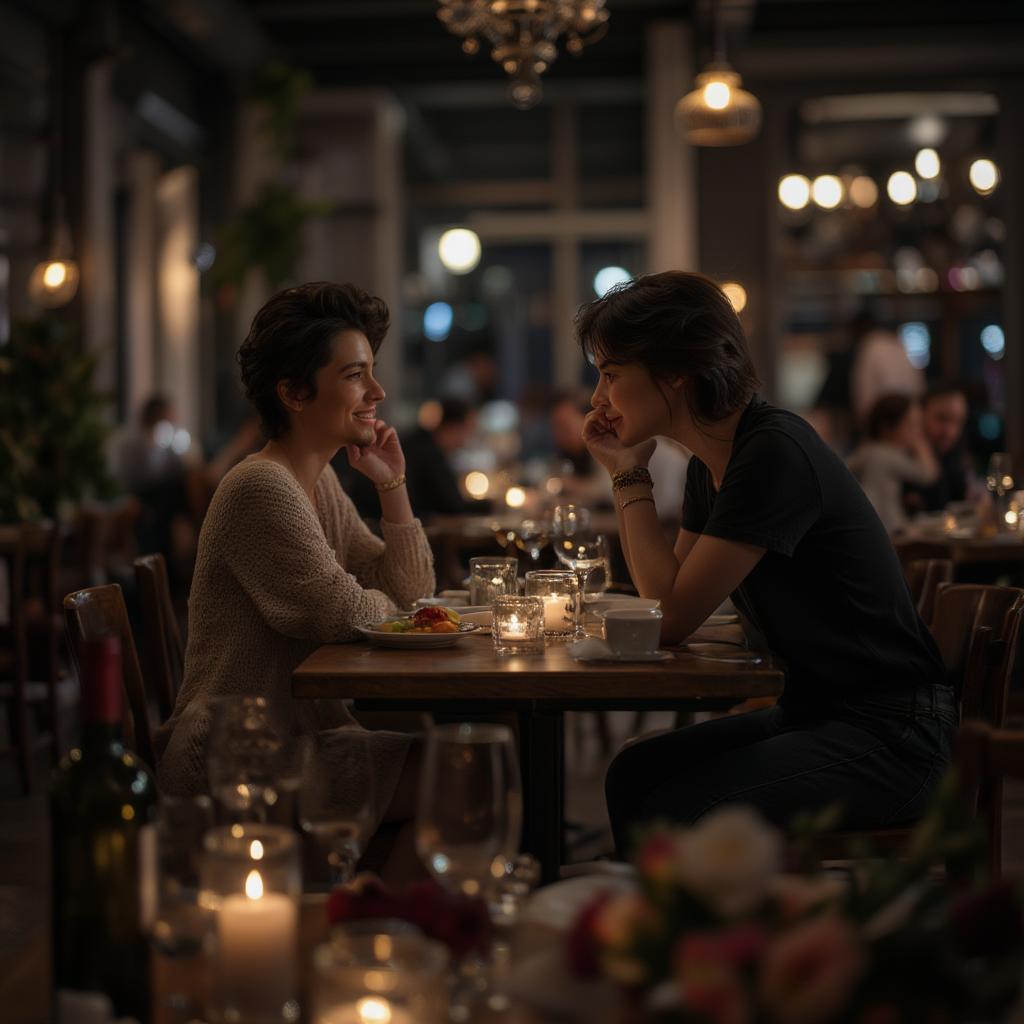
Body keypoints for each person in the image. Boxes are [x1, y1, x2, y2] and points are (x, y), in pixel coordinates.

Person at [577, 272, 951, 857]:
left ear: (676, 373)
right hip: (818, 714)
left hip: (894, 734)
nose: (597, 398)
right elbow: (666, 599)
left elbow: (669, 620)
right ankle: (655, 938)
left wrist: (628, 475)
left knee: (680, 806)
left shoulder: (772, 452)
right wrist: (627, 468)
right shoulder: (714, 463)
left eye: (610, 374)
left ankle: (693, 941)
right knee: (634, 774)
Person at [155, 282, 435, 878]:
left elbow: (408, 599)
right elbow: (343, 612)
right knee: (460, 778)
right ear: (293, 392)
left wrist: (393, 485)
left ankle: (364, 926)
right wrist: (379, 603)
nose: (378, 393)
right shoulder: (261, 488)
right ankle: (364, 929)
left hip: (301, 740)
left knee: (457, 771)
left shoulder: (317, 483)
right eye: (356, 375)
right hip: (241, 757)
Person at [847, 395, 941, 533]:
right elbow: (929, 474)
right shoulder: (886, 454)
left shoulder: (865, 451)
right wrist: (921, 445)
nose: (917, 431)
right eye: (911, 425)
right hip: (889, 527)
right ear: (886, 428)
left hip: (867, 524)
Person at [904, 381, 971, 513]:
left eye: (958, 422)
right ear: (920, 414)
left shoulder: (954, 456)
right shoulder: (903, 457)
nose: (950, 432)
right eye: (942, 419)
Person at [849, 312, 924, 429]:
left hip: (882, 422)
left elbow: (863, 392)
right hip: (908, 417)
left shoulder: (869, 346)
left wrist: (864, 423)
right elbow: (917, 384)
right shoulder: (898, 344)